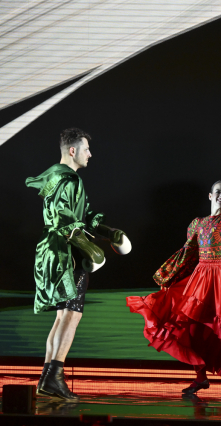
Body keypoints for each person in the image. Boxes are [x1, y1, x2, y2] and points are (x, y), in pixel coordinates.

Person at [126, 153, 221, 398]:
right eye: (218, 192)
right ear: (210, 195)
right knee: (192, 329)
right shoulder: (197, 224)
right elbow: (187, 253)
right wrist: (169, 277)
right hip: (201, 277)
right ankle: (200, 378)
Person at [25, 128, 131, 401]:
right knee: (72, 314)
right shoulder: (69, 178)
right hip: (67, 251)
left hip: (52, 249)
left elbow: (79, 215)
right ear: (72, 151)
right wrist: (91, 249)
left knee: (63, 315)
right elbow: (65, 219)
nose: (90, 154)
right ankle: (54, 377)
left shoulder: (56, 175)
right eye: (86, 149)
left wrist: (106, 231)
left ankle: (47, 378)